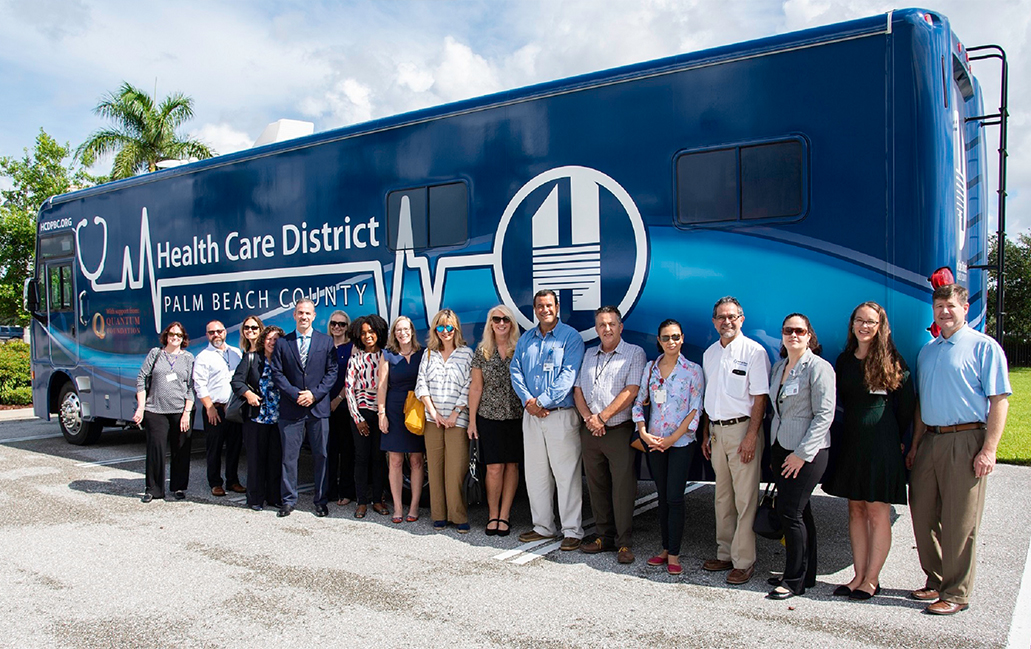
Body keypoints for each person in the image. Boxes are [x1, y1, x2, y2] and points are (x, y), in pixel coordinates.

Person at [906, 284, 1011, 615]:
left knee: (959, 520)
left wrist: (989, 450)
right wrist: (916, 443)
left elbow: (998, 401)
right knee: (922, 513)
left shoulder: (984, 347)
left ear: (965, 308)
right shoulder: (928, 351)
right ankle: (935, 579)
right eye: (939, 306)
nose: (944, 311)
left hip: (966, 439)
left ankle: (956, 592)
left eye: (950, 305)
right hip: (930, 440)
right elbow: (922, 402)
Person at [822, 302, 915, 600]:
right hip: (852, 442)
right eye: (859, 320)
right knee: (856, 510)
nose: (864, 326)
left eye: (871, 322)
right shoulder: (845, 360)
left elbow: (906, 407)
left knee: (877, 512)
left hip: (881, 445)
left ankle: (872, 579)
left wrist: (896, 439)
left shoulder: (892, 360)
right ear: (852, 325)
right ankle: (857, 575)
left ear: (880, 327)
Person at [700, 296, 770, 585]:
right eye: (721, 317)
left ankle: (744, 562)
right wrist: (706, 433)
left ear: (742, 319)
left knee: (745, 499)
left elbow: (760, 398)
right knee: (722, 498)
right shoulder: (709, 354)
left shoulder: (754, 352)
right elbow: (710, 397)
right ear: (714, 321)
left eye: (732, 317)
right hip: (717, 432)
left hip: (743, 432)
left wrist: (751, 436)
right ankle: (725, 552)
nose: (726, 322)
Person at [510, 289, 586, 550]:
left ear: (557, 307)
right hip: (531, 416)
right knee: (536, 474)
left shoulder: (570, 338)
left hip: (560, 416)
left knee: (567, 475)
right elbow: (515, 370)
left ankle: (572, 530)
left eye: (549, 305)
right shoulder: (526, 339)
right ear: (535, 309)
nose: (545, 310)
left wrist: (541, 402)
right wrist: (529, 402)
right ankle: (543, 527)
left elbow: (569, 375)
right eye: (540, 306)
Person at [766, 313, 835, 600]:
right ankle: (807, 574)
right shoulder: (779, 366)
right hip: (781, 446)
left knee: (790, 513)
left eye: (799, 331)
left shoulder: (818, 367)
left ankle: (793, 580)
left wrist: (801, 454)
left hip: (808, 451)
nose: (793, 335)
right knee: (801, 512)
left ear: (809, 336)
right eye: (788, 330)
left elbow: (824, 415)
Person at [574, 306, 646, 564]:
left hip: (618, 430)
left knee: (623, 488)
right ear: (596, 328)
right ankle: (603, 537)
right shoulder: (588, 354)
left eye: (611, 324)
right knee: (597, 486)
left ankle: (624, 543)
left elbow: (632, 389)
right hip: (590, 430)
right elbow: (578, 390)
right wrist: (589, 419)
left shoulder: (634, 353)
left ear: (620, 327)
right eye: (602, 324)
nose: (606, 329)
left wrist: (602, 417)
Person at [632, 319, 704, 575]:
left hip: (680, 443)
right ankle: (664, 548)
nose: (671, 342)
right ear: (659, 341)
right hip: (653, 442)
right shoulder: (651, 369)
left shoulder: (693, 370)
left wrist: (673, 439)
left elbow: (696, 409)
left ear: (682, 338)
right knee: (662, 497)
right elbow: (639, 402)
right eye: (666, 337)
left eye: (675, 337)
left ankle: (674, 553)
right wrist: (643, 432)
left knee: (674, 497)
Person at [269, 299, 339, 518]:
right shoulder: (283, 343)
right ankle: (289, 500)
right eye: (300, 313)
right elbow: (277, 373)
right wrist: (295, 394)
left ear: (314, 316)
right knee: (289, 458)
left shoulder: (325, 342)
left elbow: (332, 372)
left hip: (318, 408)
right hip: (292, 409)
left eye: (308, 313)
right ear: (294, 315)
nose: (304, 316)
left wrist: (314, 394)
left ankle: (320, 500)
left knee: (322, 455)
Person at [415, 309, 474, 532]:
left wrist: (454, 414)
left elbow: (469, 385)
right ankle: (438, 515)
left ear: (456, 329)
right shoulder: (429, 354)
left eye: (449, 327)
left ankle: (458, 516)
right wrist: (434, 412)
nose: (445, 331)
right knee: (436, 469)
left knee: (455, 470)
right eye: (441, 327)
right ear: (435, 330)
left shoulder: (466, 353)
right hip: (433, 420)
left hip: (457, 420)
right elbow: (421, 384)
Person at [468, 305, 523, 537]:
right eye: (496, 319)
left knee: (512, 466)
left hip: (516, 416)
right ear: (490, 324)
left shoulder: (520, 349)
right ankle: (492, 514)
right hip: (488, 417)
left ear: (511, 323)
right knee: (493, 468)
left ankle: (505, 515)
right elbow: (476, 387)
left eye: (506, 320)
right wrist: (471, 421)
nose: (501, 323)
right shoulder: (482, 351)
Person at [134, 321, 194, 502]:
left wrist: (187, 412)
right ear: (166, 336)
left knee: (181, 450)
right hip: (155, 410)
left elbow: (192, 386)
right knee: (155, 450)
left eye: (179, 335)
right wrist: (141, 407)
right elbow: (141, 378)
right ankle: (153, 489)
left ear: (183, 338)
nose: (175, 337)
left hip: (179, 410)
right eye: (172, 334)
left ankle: (179, 487)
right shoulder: (155, 354)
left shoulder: (189, 358)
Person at [377, 316, 426, 523]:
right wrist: (382, 414)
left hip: (416, 411)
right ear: (394, 333)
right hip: (395, 410)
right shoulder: (387, 355)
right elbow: (381, 385)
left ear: (412, 331)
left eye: (406, 329)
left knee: (416, 460)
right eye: (398, 329)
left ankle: (414, 507)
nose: (402, 333)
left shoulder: (423, 354)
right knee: (395, 461)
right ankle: (398, 507)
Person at [232, 322, 285, 511]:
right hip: (256, 418)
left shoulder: (284, 360)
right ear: (263, 340)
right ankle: (255, 499)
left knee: (275, 459)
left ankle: (273, 497)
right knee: (256, 459)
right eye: (269, 338)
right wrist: (248, 394)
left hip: (279, 419)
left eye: (276, 339)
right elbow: (236, 381)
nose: (272, 342)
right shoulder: (252, 358)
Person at [193, 319, 244, 497]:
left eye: (219, 331)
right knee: (214, 448)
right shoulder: (203, 357)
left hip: (234, 409)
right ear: (207, 335)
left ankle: (233, 481)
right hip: (215, 409)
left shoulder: (236, 353)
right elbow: (199, 385)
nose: (216, 335)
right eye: (212, 332)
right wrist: (209, 407)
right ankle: (215, 483)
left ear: (225, 332)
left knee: (234, 447)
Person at [346, 313, 390, 518]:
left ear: (378, 332)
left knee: (379, 458)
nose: (367, 336)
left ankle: (378, 500)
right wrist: (358, 419)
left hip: (381, 413)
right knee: (361, 458)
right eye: (363, 333)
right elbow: (349, 390)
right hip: (361, 414)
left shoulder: (386, 355)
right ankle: (361, 501)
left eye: (371, 332)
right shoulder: (355, 358)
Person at [326, 310, 357, 507]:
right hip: (323, 404)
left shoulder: (352, 348)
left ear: (347, 327)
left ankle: (346, 491)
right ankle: (328, 490)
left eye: (342, 324)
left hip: (344, 404)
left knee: (347, 449)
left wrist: (338, 399)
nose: (337, 327)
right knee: (328, 449)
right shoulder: (323, 346)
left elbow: (352, 378)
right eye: (334, 324)